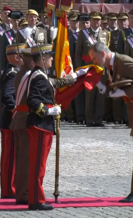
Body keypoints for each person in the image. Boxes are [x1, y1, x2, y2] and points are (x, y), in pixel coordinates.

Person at [89, 41, 133, 202]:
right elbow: (119, 83)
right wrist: (103, 88)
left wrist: (124, 92)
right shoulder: (111, 65)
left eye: (94, 59)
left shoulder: (123, 61)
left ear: (102, 54)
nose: (94, 62)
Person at [26, 44, 87, 210]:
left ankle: (36, 198)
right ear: (43, 59)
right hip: (39, 125)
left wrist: (75, 75)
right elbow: (32, 101)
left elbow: (57, 82)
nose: (52, 59)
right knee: (38, 165)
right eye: (50, 56)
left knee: (40, 164)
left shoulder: (41, 75)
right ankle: (36, 200)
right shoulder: (38, 76)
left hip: (42, 126)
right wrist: (49, 111)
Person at [0, 43, 26, 199]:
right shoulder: (12, 73)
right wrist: (16, 111)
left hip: (10, 121)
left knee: (12, 156)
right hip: (10, 121)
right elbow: (8, 97)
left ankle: (10, 188)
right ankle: (9, 190)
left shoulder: (13, 72)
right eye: (22, 56)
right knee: (10, 157)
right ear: (16, 57)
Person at [9, 47, 35, 205]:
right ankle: (23, 192)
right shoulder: (27, 74)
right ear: (32, 61)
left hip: (20, 119)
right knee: (25, 159)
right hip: (24, 119)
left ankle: (22, 191)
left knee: (22, 159)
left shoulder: (23, 72)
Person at [75, 11, 110, 127]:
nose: (96, 22)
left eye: (98, 20)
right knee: (89, 95)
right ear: (90, 21)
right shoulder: (83, 33)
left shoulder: (106, 33)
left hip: (102, 68)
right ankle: (89, 119)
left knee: (101, 95)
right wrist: (79, 70)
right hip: (89, 68)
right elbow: (78, 53)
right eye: (94, 20)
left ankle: (99, 119)